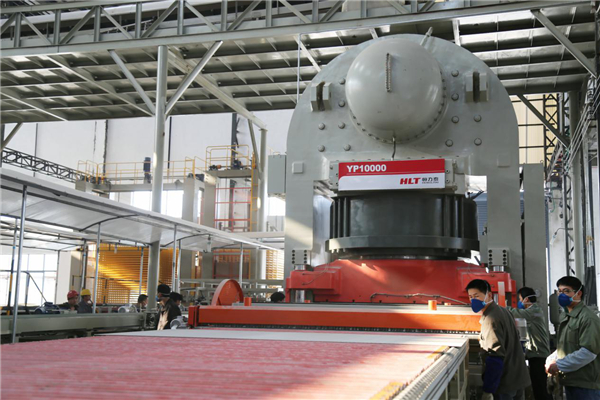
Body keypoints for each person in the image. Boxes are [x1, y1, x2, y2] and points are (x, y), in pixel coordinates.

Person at [466, 279, 531, 400]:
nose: (473, 300)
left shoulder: (490, 319)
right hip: (517, 378)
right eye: (470, 297)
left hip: (504, 383)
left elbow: (495, 357)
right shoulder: (504, 311)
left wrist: (488, 389)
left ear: (489, 295)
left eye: (476, 296)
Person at [545, 276, 600, 400]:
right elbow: (566, 346)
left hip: (586, 385)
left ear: (578, 293)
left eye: (566, 291)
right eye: (559, 291)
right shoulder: (567, 316)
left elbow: (588, 352)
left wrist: (559, 365)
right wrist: (552, 359)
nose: (561, 295)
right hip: (571, 380)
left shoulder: (588, 318)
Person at [507, 287, 551, 400]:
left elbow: (515, 313)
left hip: (539, 354)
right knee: (537, 387)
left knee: (540, 388)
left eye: (520, 299)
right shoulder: (533, 311)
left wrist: (499, 307)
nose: (519, 302)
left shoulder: (534, 311)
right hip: (535, 354)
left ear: (526, 299)